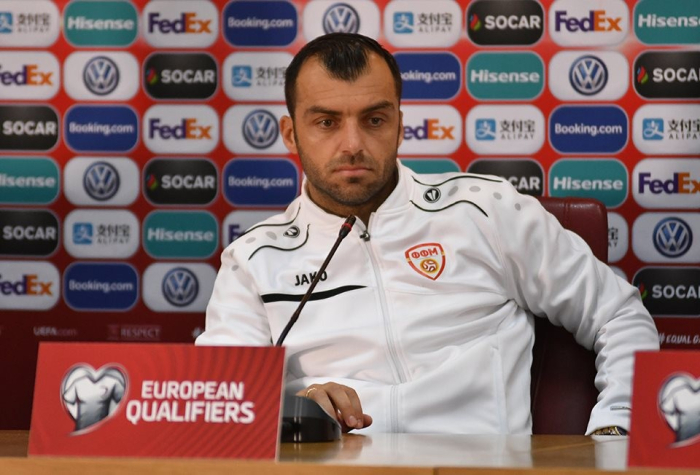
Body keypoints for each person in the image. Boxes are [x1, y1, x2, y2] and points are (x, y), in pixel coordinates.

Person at [196, 33, 659, 435]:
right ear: (290, 134)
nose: (352, 144)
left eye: (374, 119)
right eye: (326, 122)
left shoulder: (485, 211)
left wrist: (617, 425)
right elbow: (219, 400)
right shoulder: (253, 260)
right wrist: (291, 406)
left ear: (400, 125)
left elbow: (618, 315)